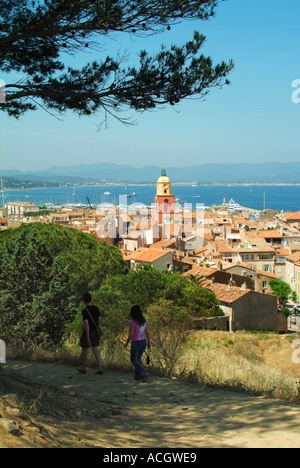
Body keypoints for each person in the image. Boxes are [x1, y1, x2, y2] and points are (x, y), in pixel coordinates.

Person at [77, 292, 104, 375]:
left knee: (85, 349)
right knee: (96, 349)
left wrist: (88, 337)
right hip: (96, 331)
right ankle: (100, 368)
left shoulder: (85, 311)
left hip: (88, 332)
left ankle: (83, 367)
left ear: (84, 300)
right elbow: (99, 320)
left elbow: (86, 324)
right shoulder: (96, 308)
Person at [125, 304, 151, 382]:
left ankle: (143, 372)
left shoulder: (132, 322)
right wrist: (149, 342)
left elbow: (131, 335)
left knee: (133, 360)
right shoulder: (144, 320)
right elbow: (147, 332)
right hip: (143, 341)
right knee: (138, 359)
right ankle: (137, 377)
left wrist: (127, 343)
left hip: (136, 342)